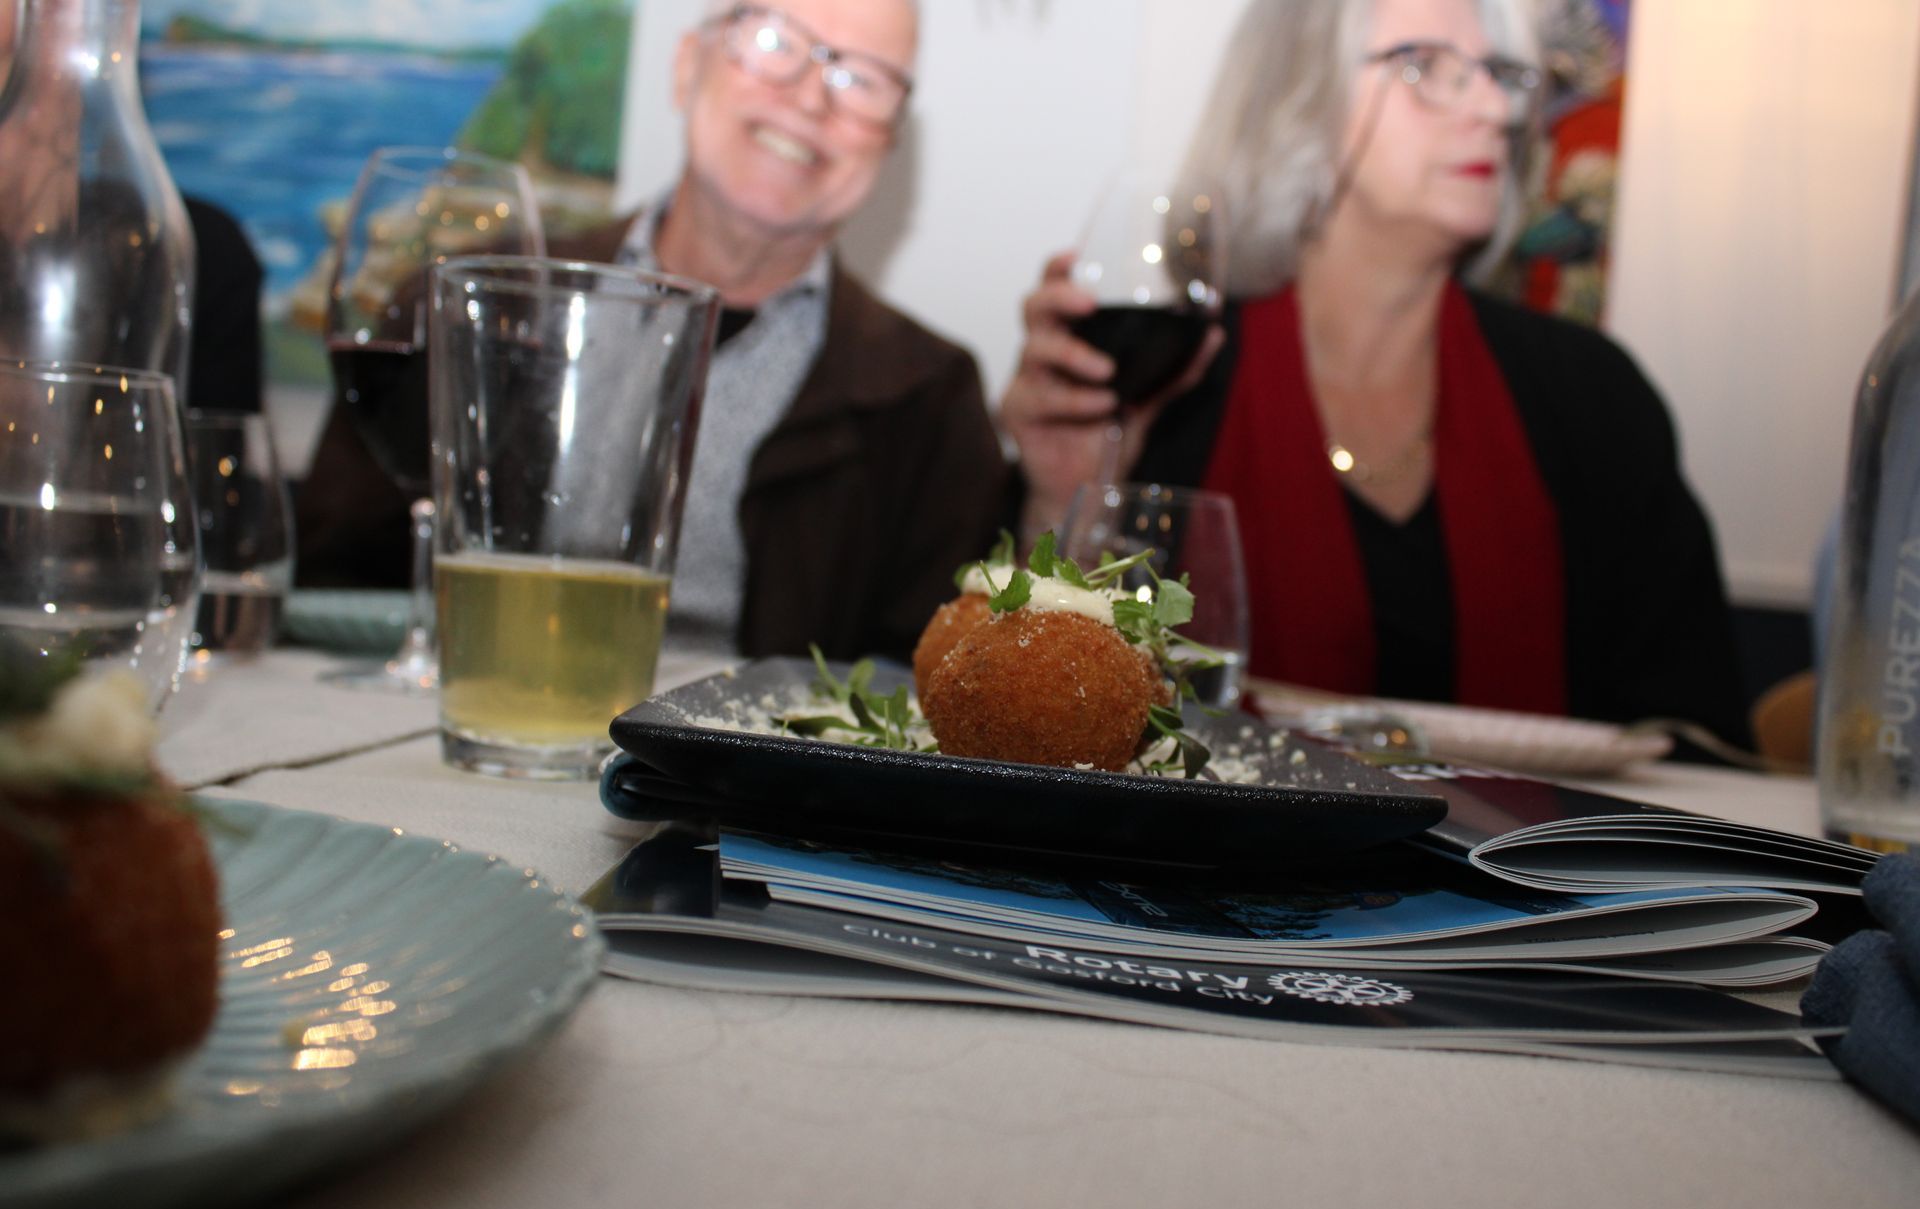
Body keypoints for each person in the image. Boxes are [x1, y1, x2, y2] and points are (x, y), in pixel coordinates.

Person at [1001, 0, 1750, 743]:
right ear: (1298, 99)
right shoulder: (1177, 376)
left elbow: (1692, 737)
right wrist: (1062, 500)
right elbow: (1056, 719)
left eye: (1497, 73)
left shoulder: (1590, 397)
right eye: (1424, 66)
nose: (1495, 109)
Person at [298, 0, 1008, 663]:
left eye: (862, 80)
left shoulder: (930, 396)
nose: (811, 97)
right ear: (686, 67)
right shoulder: (473, 305)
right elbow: (329, 581)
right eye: (774, 43)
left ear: (888, 145)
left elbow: (929, 684)